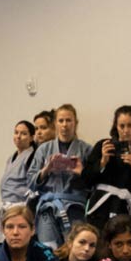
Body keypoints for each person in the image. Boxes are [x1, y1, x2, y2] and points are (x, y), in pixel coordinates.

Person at [78, 105, 131, 232]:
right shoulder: (104, 146)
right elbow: (85, 179)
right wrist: (102, 162)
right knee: (100, 245)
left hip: (125, 209)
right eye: (122, 126)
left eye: (130, 125)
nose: (126, 130)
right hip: (100, 208)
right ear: (116, 126)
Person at [27, 104, 92, 248]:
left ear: (75, 123)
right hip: (48, 209)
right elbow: (30, 182)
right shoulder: (44, 149)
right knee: (48, 250)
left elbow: (94, 184)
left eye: (69, 120)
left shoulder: (86, 149)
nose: (65, 125)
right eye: (61, 121)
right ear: (55, 123)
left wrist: (82, 172)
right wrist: (46, 169)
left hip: (76, 210)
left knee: (75, 251)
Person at [0, 119, 37, 240]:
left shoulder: (32, 156)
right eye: (16, 132)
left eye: (23, 134)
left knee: (16, 240)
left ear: (31, 137)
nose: (18, 136)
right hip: (6, 206)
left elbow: (32, 185)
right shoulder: (11, 157)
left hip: (20, 206)